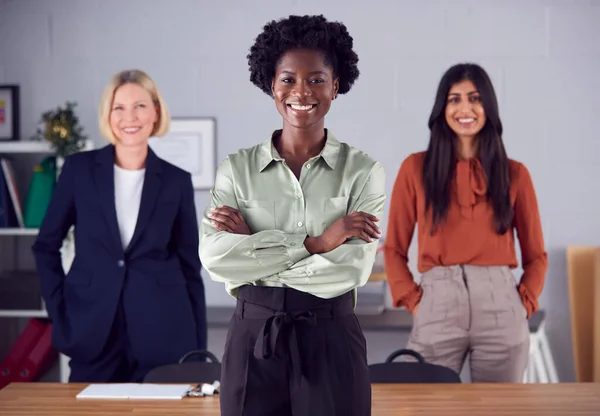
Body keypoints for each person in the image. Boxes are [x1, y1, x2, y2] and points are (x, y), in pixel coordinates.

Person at [199, 14, 385, 416]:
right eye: (288, 78)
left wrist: (253, 250)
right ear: (272, 84)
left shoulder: (364, 172)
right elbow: (215, 257)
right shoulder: (236, 169)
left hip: (331, 337)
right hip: (253, 339)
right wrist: (315, 244)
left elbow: (350, 269)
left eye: (316, 79)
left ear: (335, 86)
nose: (301, 91)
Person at [32, 69, 207, 382]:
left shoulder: (176, 181)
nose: (130, 117)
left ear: (155, 111)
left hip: (163, 330)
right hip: (92, 329)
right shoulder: (79, 170)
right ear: (107, 115)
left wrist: (197, 345)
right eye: (119, 107)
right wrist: (60, 312)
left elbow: (190, 266)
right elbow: (46, 245)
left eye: (140, 105)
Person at [384, 63, 547, 382]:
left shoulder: (515, 174)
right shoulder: (415, 169)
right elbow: (393, 249)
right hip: (438, 305)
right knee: (427, 406)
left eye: (475, 98)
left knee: (498, 410)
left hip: (501, 308)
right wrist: (416, 302)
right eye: (454, 99)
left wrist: (521, 303)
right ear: (442, 108)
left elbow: (536, 256)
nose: (465, 108)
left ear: (488, 106)